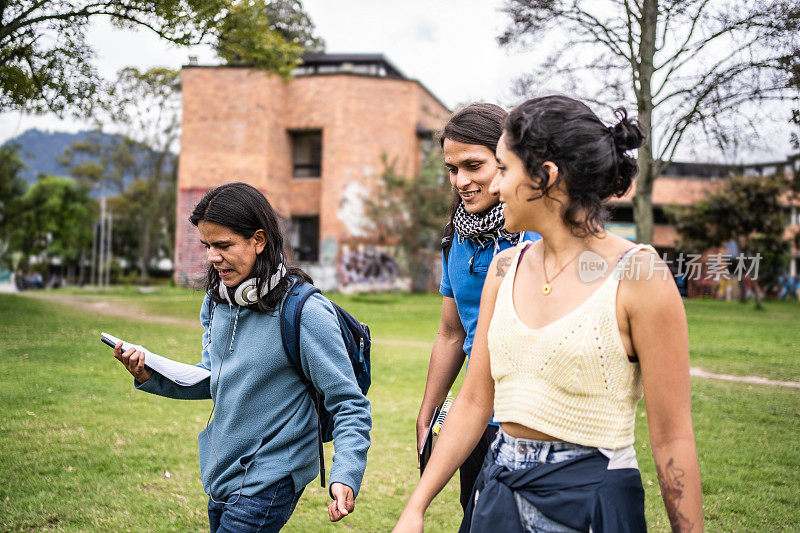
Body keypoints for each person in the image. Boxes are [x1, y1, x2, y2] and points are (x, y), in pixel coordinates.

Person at [396, 96, 702, 532]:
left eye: (503, 169)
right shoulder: (505, 270)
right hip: (499, 491)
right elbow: (473, 401)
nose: (495, 188)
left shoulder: (640, 275)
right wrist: (416, 506)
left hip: (593, 500)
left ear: (546, 176)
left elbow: (673, 437)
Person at [114, 182, 372, 532]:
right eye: (207, 245)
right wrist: (150, 374)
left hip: (272, 477)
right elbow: (214, 377)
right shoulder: (217, 301)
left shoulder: (306, 312)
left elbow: (348, 404)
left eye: (223, 245)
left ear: (259, 240)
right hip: (223, 471)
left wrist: (346, 473)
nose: (211, 257)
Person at [415, 102, 540, 511]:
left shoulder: (539, 237)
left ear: (506, 162)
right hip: (474, 419)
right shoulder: (457, 238)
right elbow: (452, 334)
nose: (461, 181)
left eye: (473, 165)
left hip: (533, 424)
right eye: (453, 169)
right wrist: (430, 409)